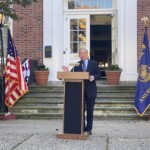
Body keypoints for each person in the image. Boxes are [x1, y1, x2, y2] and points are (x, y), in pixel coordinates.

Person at [62, 48, 100, 135]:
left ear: (87, 54)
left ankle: (89, 129)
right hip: (79, 92)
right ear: (79, 55)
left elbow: (99, 74)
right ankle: (81, 127)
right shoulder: (76, 65)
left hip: (90, 91)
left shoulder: (93, 64)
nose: (82, 55)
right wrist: (67, 72)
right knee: (80, 111)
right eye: (80, 53)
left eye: (84, 53)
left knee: (90, 111)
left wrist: (93, 77)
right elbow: (72, 75)